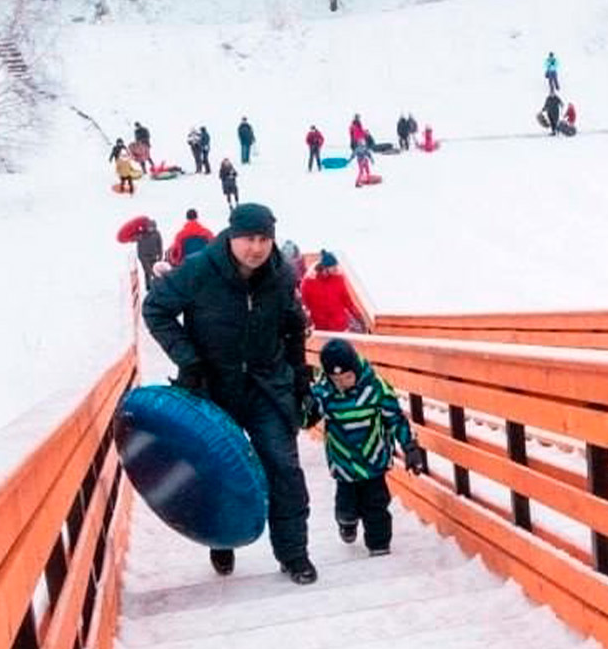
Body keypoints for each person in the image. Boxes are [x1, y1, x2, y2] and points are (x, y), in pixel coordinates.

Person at [142, 202, 316, 584]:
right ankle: (220, 539)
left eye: (264, 239)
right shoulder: (200, 270)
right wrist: (189, 360)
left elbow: (293, 330)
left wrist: (301, 383)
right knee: (215, 471)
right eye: (248, 239)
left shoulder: (281, 275)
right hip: (213, 388)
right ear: (232, 237)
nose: (256, 248)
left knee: (283, 468)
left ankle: (294, 554)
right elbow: (155, 309)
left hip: (268, 387)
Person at [309, 338, 426, 557]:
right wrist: (304, 408)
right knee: (346, 506)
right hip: (344, 463)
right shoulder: (324, 392)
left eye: (347, 377)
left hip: (373, 460)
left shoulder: (376, 388)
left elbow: (395, 418)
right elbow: (309, 417)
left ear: (355, 369)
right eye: (337, 379)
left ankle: (379, 545)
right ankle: (347, 521)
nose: (343, 383)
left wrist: (410, 446)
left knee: (376, 505)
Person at [301, 250, 360, 332]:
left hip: (340, 325)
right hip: (321, 326)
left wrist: (358, 316)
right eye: (333, 266)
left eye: (336, 265)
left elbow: (347, 300)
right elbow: (305, 303)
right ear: (325, 267)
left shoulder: (338, 278)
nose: (336, 268)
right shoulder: (308, 281)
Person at [134, 217, 164, 288]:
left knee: (156, 271)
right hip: (144, 257)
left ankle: (157, 286)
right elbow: (135, 239)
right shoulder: (142, 234)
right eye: (149, 227)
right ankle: (149, 287)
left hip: (154, 256)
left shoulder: (157, 234)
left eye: (152, 227)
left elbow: (160, 245)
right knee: (148, 271)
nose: (150, 229)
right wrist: (141, 257)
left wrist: (160, 256)